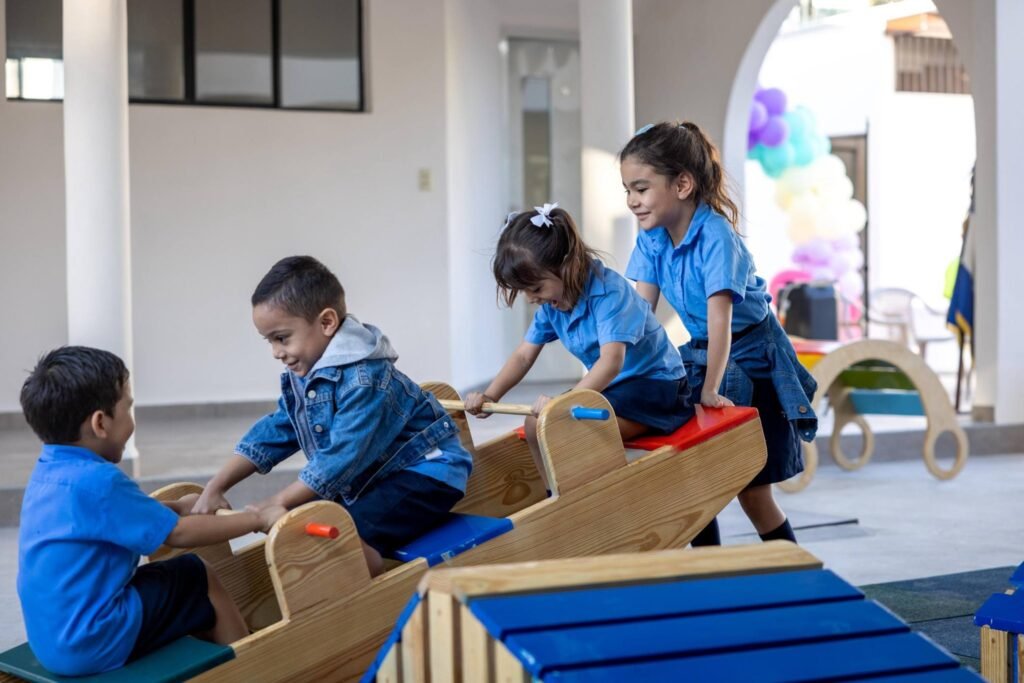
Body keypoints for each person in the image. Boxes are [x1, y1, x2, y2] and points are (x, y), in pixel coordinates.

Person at [192, 256, 472, 576]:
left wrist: (279, 501)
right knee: (315, 521)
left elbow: (341, 456)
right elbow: (279, 429)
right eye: (268, 341)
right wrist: (217, 484)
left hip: (427, 473)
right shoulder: (307, 372)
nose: (275, 352)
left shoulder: (366, 378)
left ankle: (373, 588)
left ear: (326, 323)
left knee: (336, 533)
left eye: (282, 338)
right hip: (381, 476)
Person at [17, 346, 283, 677]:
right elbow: (178, 534)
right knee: (195, 574)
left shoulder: (50, 472)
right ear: (101, 423)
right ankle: (254, 670)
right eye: (128, 407)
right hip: (92, 640)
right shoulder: (99, 481)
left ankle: (210, 652)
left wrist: (178, 506)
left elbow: (121, 517)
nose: (132, 417)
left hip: (53, 640)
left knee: (169, 584)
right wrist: (258, 518)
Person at [619, 121, 818, 546]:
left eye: (641, 188)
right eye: (628, 191)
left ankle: (793, 573)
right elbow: (641, 319)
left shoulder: (716, 237)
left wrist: (709, 388)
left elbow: (720, 321)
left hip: (751, 357)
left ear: (683, 185)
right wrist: (619, 373)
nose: (633, 202)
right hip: (704, 352)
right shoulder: (652, 239)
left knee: (752, 491)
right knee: (692, 476)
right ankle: (710, 573)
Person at [465, 203, 693, 488]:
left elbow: (611, 362)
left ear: (566, 266)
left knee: (563, 425)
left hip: (657, 387)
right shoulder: (553, 303)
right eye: (524, 291)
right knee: (536, 425)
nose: (530, 298)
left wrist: (565, 402)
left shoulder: (609, 292)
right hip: (616, 388)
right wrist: (491, 395)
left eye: (535, 289)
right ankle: (555, 499)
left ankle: (589, 495)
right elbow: (524, 355)